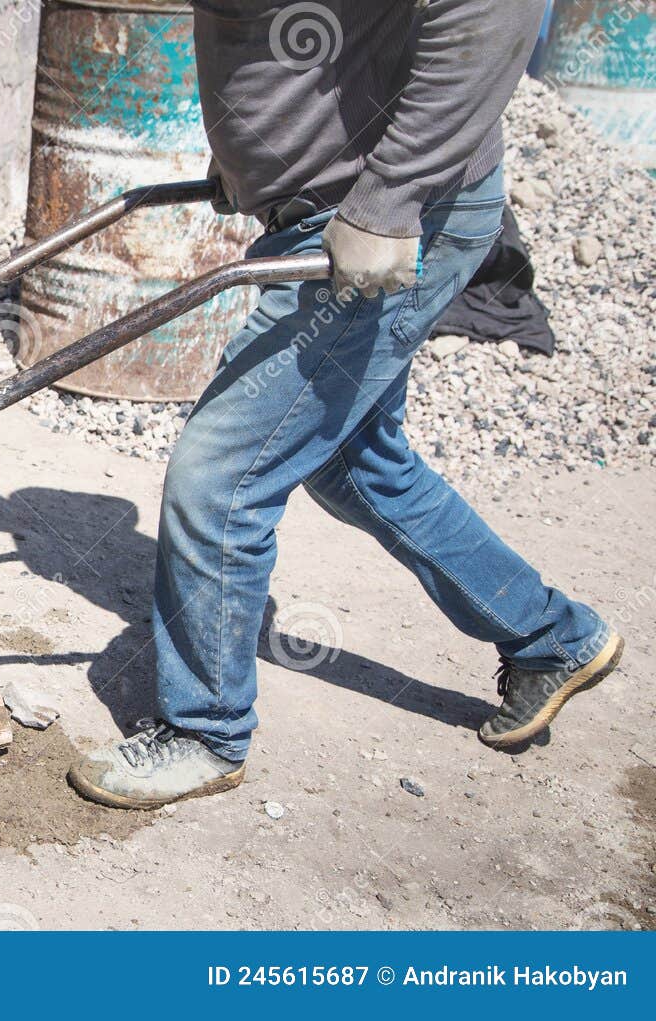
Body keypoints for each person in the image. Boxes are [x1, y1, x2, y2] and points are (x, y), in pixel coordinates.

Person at [68, 0, 623, 810]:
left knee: (220, 473)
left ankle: (204, 731)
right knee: (354, 462)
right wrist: (251, 155)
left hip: (388, 217)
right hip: (327, 209)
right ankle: (552, 637)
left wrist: (390, 198)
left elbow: (493, 9)